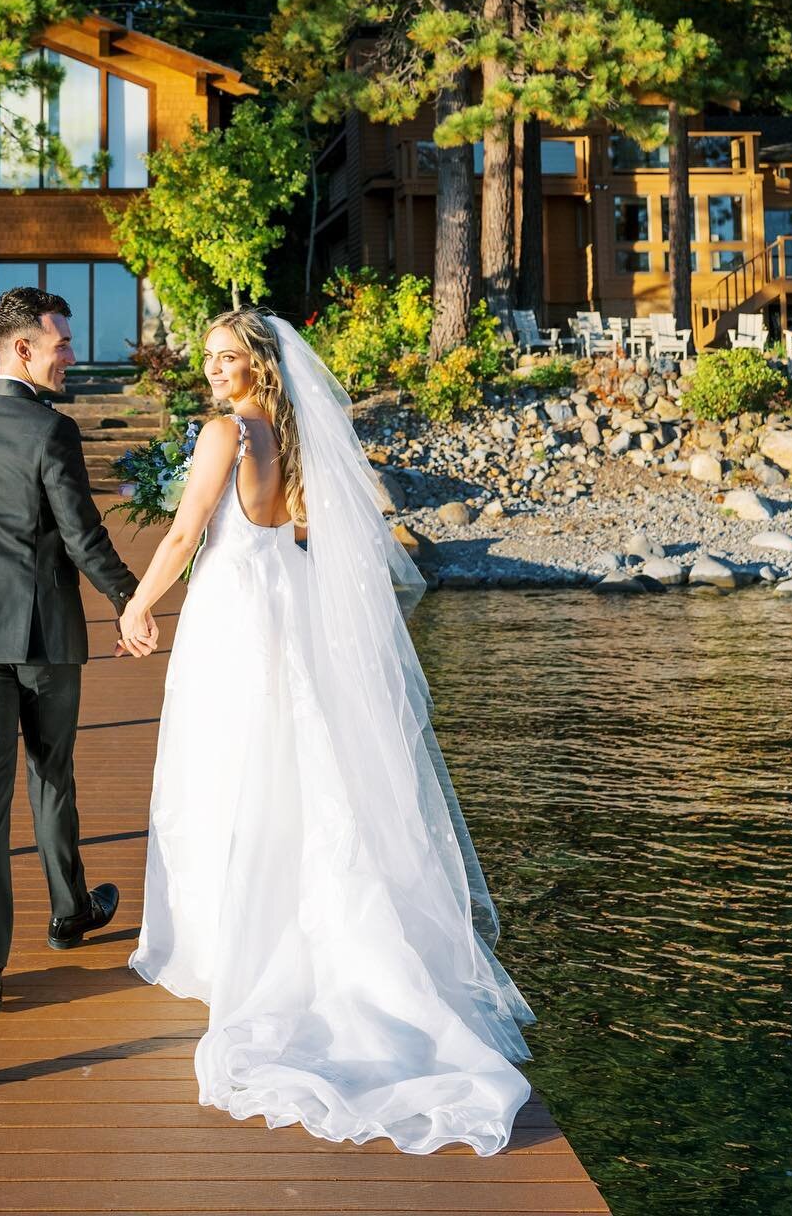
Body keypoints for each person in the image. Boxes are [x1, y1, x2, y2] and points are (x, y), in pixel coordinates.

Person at [120, 308, 536, 1155]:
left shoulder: (225, 433)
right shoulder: (293, 430)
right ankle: (270, 923)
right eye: (208, 359)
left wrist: (137, 602)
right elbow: (307, 530)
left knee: (223, 767)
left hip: (236, 610)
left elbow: (186, 531)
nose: (214, 370)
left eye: (228, 358)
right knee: (286, 762)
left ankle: (222, 940)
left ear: (257, 363)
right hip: (284, 599)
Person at [0, 285, 138, 1015]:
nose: (71, 357)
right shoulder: (52, 432)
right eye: (62, 345)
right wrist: (130, 597)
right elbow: (83, 539)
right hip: (44, 633)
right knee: (51, 776)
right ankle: (68, 913)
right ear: (23, 348)